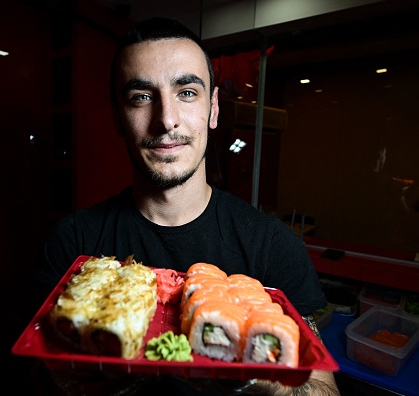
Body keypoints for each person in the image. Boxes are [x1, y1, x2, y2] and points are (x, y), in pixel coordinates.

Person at [31, 17, 340, 396]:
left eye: (187, 92)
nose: (166, 119)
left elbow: (322, 387)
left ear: (213, 109)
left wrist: (263, 379)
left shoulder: (273, 245)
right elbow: (41, 371)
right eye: (141, 97)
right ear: (118, 118)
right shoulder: (73, 239)